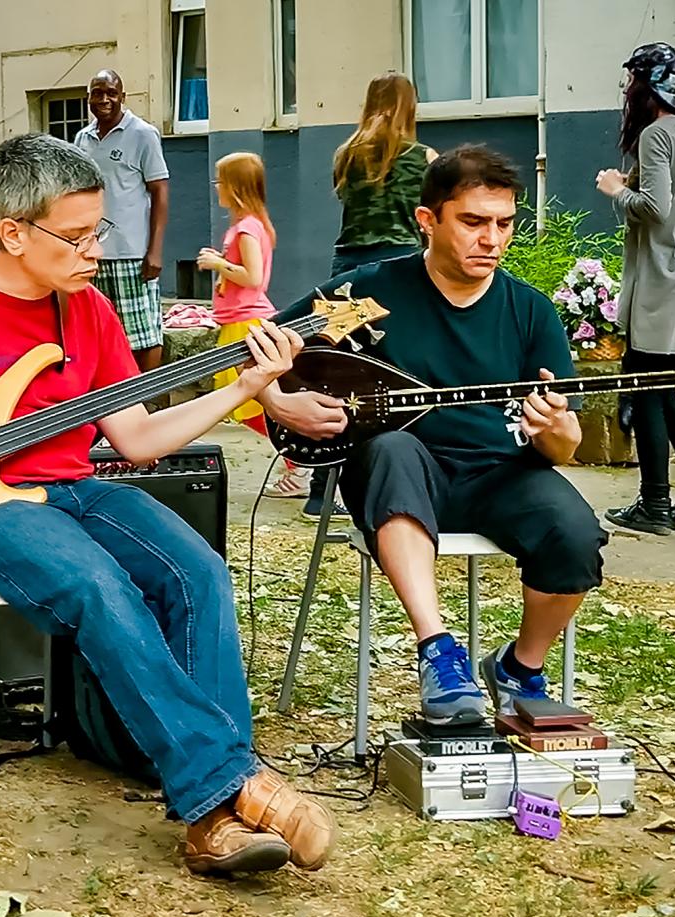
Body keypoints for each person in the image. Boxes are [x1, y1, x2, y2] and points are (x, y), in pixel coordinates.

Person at [0, 133, 334, 876]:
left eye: (101, 230)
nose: (96, 248)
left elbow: (137, 439)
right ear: (14, 233)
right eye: (78, 235)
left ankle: (212, 810)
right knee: (97, 586)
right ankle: (233, 786)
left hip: (72, 486)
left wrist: (246, 389)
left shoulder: (87, 311)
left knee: (197, 571)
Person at [260, 145, 608, 725]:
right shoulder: (368, 294)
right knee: (394, 448)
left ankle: (520, 666)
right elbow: (260, 345)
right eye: (473, 222)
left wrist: (559, 431)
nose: (492, 240)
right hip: (401, 471)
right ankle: (439, 653)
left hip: (501, 474)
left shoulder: (531, 312)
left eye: (504, 224)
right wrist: (279, 400)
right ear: (428, 221)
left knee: (575, 534)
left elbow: (561, 450)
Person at [300, 72, 438, 516]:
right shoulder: (425, 159)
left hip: (348, 271)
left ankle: (320, 488)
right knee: (401, 373)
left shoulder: (346, 155)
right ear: (410, 107)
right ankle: (402, 480)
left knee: (335, 373)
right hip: (398, 271)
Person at [596, 42, 675, 534]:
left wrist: (616, 189)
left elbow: (655, 210)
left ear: (646, 85)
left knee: (644, 387)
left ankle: (655, 504)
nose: (628, 90)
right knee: (662, 389)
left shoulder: (656, 134)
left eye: (632, 81)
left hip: (664, 279)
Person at [74, 69, 169, 372]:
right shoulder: (82, 138)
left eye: (111, 93)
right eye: (97, 93)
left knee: (143, 335)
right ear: (88, 98)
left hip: (131, 253)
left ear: (122, 97)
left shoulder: (142, 134)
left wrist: (154, 251)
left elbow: (160, 192)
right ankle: (112, 403)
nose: (104, 99)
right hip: (92, 254)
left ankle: (150, 402)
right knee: (99, 332)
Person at [197, 151, 277, 436]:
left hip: (246, 322)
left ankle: (296, 462)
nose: (216, 186)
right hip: (237, 320)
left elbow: (253, 277)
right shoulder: (249, 225)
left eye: (221, 181)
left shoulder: (246, 229)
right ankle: (295, 463)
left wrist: (219, 263)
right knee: (244, 402)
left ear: (236, 186)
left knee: (249, 403)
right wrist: (222, 260)